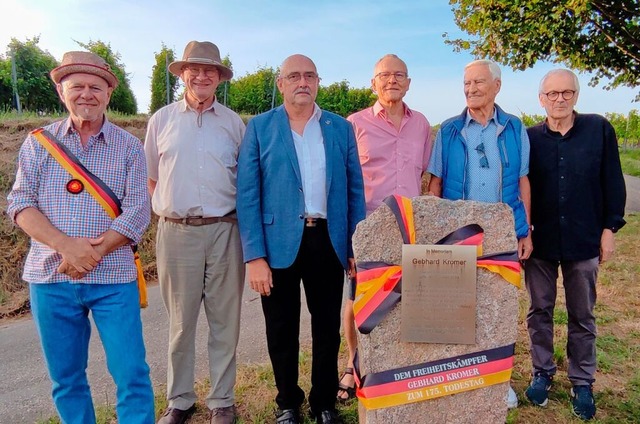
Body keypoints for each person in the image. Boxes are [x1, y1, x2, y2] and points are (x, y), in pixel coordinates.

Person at [6, 51, 154, 423]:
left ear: (108, 94)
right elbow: (20, 204)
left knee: (132, 375)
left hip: (113, 280)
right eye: (77, 87)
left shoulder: (130, 146)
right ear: (61, 91)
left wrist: (92, 252)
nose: (86, 94)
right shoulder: (38, 144)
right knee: (66, 379)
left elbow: (139, 210)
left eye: (95, 87)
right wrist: (66, 247)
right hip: (50, 278)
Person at [237, 54, 365, 424]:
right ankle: (287, 403)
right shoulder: (260, 128)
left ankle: (324, 401)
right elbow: (247, 195)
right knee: (281, 328)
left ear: (318, 82)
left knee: (327, 326)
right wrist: (254, 256)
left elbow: (355, 190)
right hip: (277, 245)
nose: (302, 82)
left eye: (309, 75)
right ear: (281, 84)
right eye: (294, 76)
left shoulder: (339, 128)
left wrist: (355, 245)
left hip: (328, 240)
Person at [145, 41, 245, 424]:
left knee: (225, 320)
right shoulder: (162, 120)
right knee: (180, 323)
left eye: (210, 70)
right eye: (194, 69)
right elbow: (153, 178)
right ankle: (180, 399)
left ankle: (222, 400)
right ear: (183, 74)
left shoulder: (234, 124)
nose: (201, 76)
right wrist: (175, 214)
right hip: (177, 233)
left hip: (225, 230)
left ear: (219, 78)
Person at [427, 59, 532, 408]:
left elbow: (522, 181)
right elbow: (436, 183)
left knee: (498, 309)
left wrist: (526, 229)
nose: (471, 89)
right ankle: (458, 377)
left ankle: (498, 382)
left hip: (503, 232)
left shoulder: (515, 128)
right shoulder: (450, 129)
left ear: (497, 86)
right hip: (459, 234)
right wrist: (435, 233)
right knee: (458, 309)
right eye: (467, 83)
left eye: (478, 83)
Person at [524, 69, 626, 421]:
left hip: (584, 240)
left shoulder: (598, 129)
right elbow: (522, 187)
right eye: (552, 94)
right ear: (541, 99)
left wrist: (610, 228)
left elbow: (612, 180)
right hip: (540, 242)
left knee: (582, 315)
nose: (559, 99)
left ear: (576, 96)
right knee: (540, 311)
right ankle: (542, 371)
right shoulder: (529, 138)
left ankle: (582, 381)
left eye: (566, 92)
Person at [337, 54, 432, 402]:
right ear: (373, 83)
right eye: (384, 75)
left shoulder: (421, 124)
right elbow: (344, 182)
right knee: (357, 298)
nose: (392, 80)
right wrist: (348, 235)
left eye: (399, 75)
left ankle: (394, 362)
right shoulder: (354, 124)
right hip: (366, 226)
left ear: (408, 83)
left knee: (404, 297)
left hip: (409, 226)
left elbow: (422, 172)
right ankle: (352, 364)